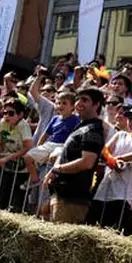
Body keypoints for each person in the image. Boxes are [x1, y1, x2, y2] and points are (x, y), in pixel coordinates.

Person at [43, 86, 106, 224]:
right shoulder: (82, 126)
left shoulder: (93, 130)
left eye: (85, 100)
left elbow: (87, 162)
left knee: (59, 243)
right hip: (61, 194)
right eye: (77, 99)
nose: (79, 103)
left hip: (72, 198)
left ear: (96, 105)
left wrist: (57, 169)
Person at [87, 104, 132, 236]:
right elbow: (105, 150)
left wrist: (120, 158)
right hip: (108, 184)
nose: (131, 122)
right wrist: (112, 161)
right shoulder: (120, 135)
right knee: (99, 217)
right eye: (130, 119)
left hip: (126, 191)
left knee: (119, 224)